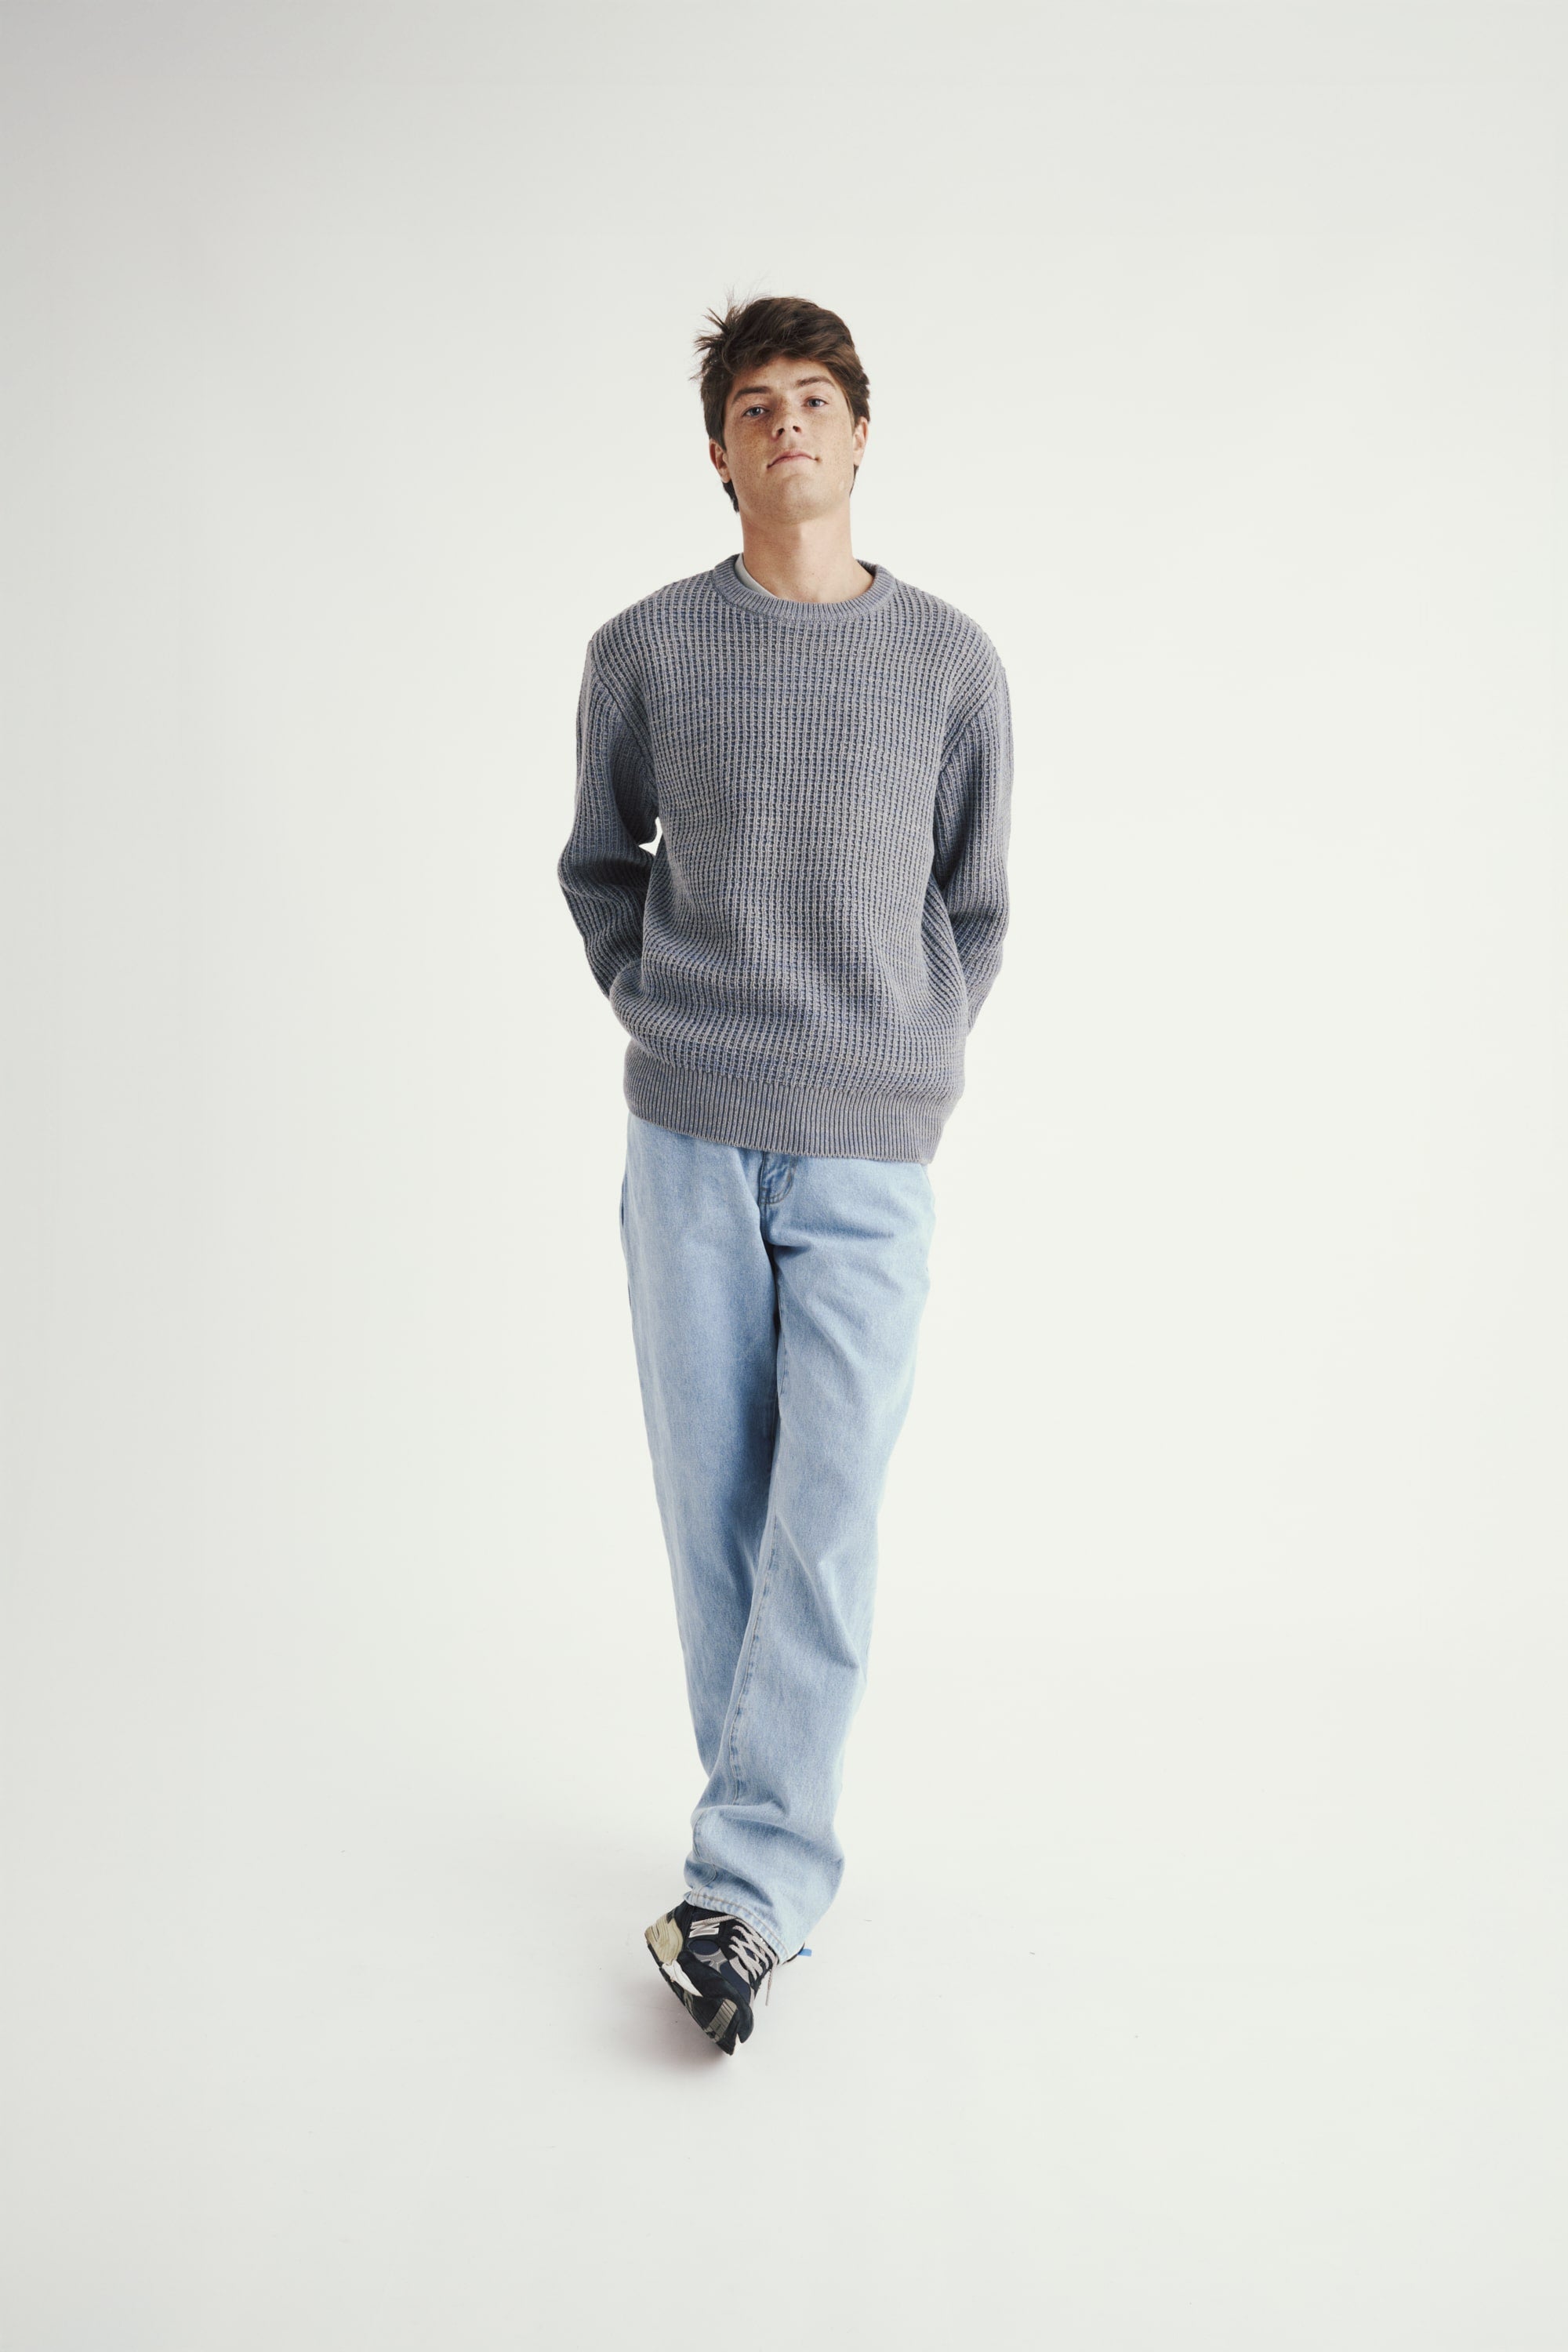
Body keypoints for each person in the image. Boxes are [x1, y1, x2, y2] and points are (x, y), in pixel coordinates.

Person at [557, 294, 1013, 2055]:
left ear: (862, 433)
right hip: (685, 1133)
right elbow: (599, 866)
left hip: (870, 1150)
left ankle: (744, 1885)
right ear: (719, 452)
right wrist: (664, 1014)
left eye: (815, 398)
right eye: (755, 406)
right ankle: (751, 1886)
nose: (788, 425)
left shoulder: (951, 663)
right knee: (719, 1519)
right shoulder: (645, 649)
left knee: (823, 1520)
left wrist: (909, 1050)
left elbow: (975, 902)